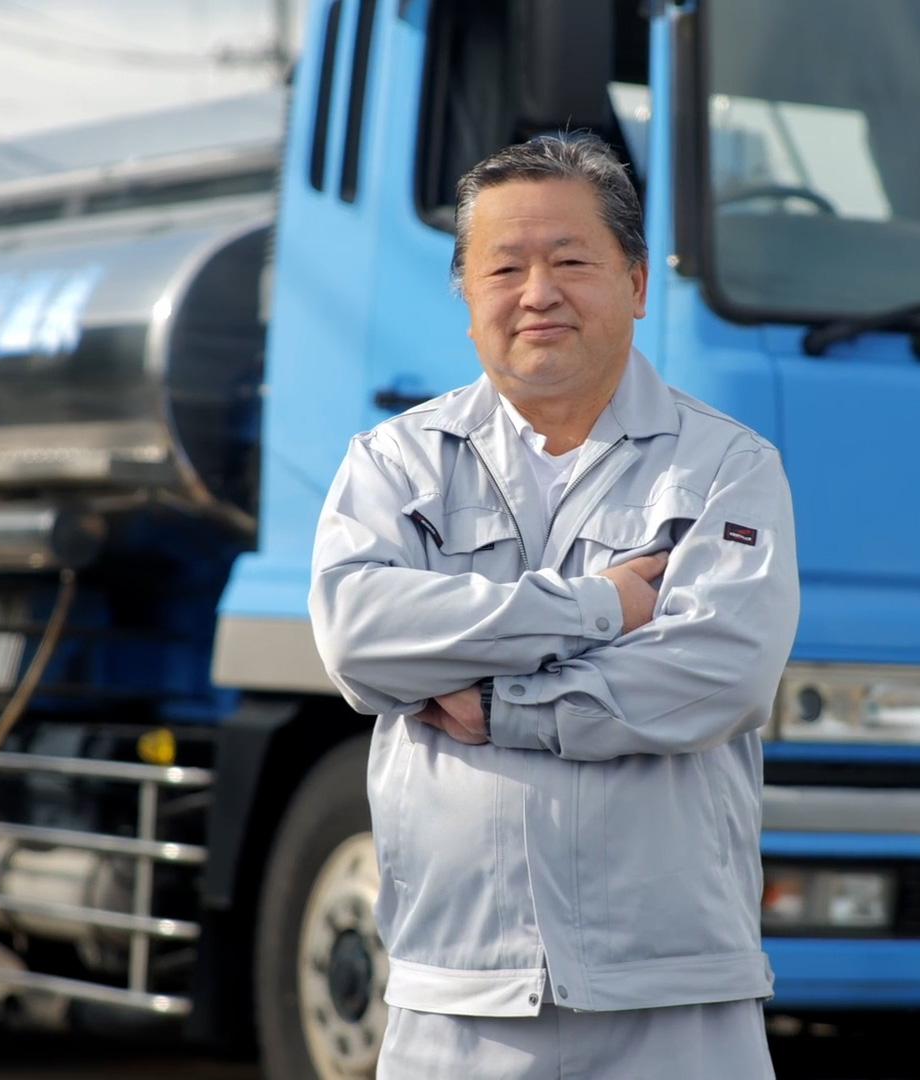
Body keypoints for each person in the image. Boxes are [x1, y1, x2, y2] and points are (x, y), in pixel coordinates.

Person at [308, 134, 799, 1079]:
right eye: (505, 268)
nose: (538, 294)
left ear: (637, 284)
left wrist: (503, 707)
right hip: (459, 993)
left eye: (571, 262)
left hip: (674, 989)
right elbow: (359, 638)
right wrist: (600, 608)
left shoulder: (727, 468)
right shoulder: (395, 463)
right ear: (465, 294)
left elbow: (720, 674)